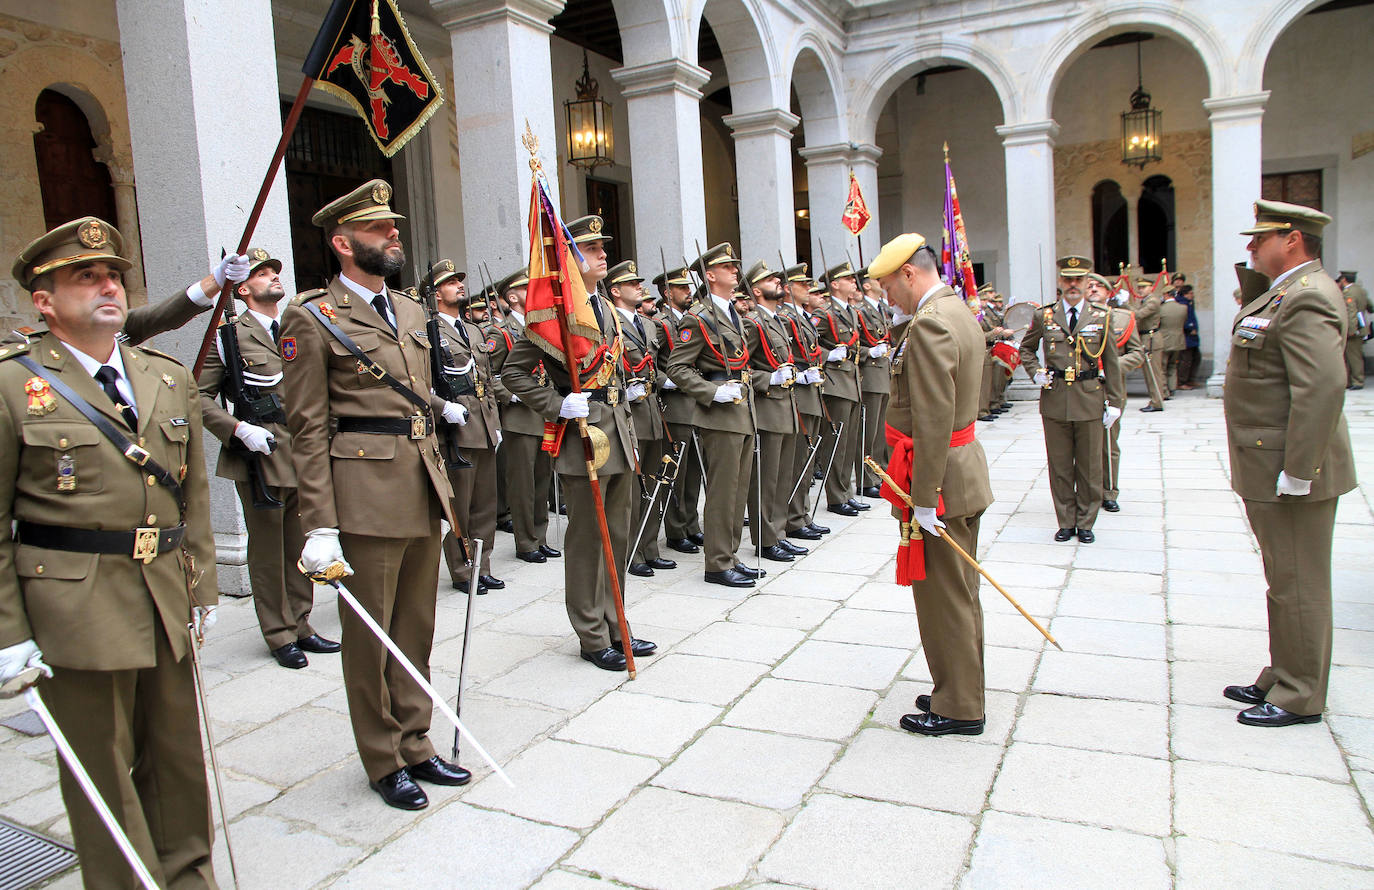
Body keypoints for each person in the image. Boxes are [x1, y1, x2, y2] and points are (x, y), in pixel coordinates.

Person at [0, 217, 220, 885]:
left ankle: (188, 874)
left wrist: (204, 587)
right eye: (85, 276)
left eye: (114, 276)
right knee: (102, 767)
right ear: (44, 300)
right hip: (76, 604)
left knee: (177, 755)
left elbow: (194, 496)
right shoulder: (14, 386)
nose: (107, 286)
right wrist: (8, 632)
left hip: (162, 590)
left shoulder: (163, 374)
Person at [280, 180, 470, 809]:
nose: (395, 235)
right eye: (379, 229)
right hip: (361, 489)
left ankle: (416, 739)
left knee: (416, 626)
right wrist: (319, 523)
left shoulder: (411, 310)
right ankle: (382, 757)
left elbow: (416, 393)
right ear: (342, 243)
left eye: (394, 225)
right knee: (371, 635)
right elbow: (306, 426)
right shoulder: (311, 317)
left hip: (420, 480)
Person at [1223, 199, 1356, 727]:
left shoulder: (1309, 297)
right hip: (1270, 463)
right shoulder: (1283, 292)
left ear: (1293, 239)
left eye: (1261, 239)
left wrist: (1301, 469)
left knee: (1299, 579)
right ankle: (1284, 671)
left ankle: (1301, 693)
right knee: (1283, 576)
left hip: (1292, 467)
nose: (1251, 247)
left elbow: (1321, 387)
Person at [501, 215, 655, 670]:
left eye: (602, 247)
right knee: (589, 540)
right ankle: (591, 634)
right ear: (569, 260)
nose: (603, 253)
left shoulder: (604, 306)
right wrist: (556, 404)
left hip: (619, 434)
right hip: (584, 438)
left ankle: (616, 623)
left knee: (620, 535)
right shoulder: (557, 312)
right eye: (591, 249)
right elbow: (511, 371)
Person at [869, 233, 993, 736]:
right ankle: (959, 685)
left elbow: (934, 417)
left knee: (944, 596)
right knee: (960, 592)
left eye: (887, 286)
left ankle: (960, 705)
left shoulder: (929, 325)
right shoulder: (957, 310)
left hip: (941, 481)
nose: (885, 297)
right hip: (961, 471)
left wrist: (924, 500)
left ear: (909, 274)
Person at [198, 247, 339, 668]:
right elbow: (198, 397)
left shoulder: (300, 326)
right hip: (262, 455)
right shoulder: (228, 337)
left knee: (301, 541)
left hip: (306, 452)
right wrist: (238, 429)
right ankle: (278, 634)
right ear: (242, 289)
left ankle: (301, 623)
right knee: (268, 551)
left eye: (275, 270)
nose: (273, 277)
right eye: (262, 273)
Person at [666, 243, 761, 588]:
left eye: (735, 266)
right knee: (722, 492)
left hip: (741, 409)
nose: (735, 271)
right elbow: (677, 366)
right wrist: (711, 391)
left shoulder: (732, 312)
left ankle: (730, 554)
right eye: (727, 267)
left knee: (737, 491)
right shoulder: (699, 316)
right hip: (719, 413)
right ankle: (717, 563)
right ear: (710, 275)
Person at [1018, 256, 1124, 543]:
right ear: (1061, 283)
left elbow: (1112, 363)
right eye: (1068, 280)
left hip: (1090, 398)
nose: (1073, 285)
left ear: (1087, 282)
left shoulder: (1102, 316)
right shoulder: (1046, 316)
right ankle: (1066, 520)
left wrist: (1115, 402)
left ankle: (1087, 521)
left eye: (1079, 280)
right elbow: (1026, 349)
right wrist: (1035, 372)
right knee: (1060, 465)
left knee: (1090, 466)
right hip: (1055, 399)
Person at [428, 260, 504, 594]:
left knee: (485, 504)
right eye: (449, 282)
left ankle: (481, 565)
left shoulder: (472, 330)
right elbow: (422, 383)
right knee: (461, 504)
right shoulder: (429, 331)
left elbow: (486, 380)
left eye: (460, 280)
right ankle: (461, 569)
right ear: (435, 293)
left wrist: (496, 424)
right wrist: (442, 409)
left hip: (483, 424)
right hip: (456, 430)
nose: (459, 285)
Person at [487, 269, 562, 563]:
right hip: (520, 417)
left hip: (543, 414)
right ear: (513, 297)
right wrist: (513, 393)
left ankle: (540, 537)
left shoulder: (542, 327)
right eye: (527, 288)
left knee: (542, 479)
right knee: (522, 484)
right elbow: (491, 375)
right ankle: (526, 542)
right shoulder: (501, 331)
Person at [608, 259, 675, 577]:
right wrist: (624, 392)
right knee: (633, 490)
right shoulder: (610, 324)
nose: (641, 287)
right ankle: (632, 552)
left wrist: (664, 381)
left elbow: (656, 366)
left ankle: (650, 547)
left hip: (651, 413)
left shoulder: (649, 325)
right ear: (615, 290)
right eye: (633, 283)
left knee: (655, 483)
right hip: (627, 415)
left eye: (640, 282)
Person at [740, 261, 804, 563]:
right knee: (765, 480)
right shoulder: (752, 323)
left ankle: (778, 533)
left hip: (786, 406)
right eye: (769, 279)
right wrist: (768, 379)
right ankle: (765, 539)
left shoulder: (776, 320)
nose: (777, 281)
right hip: (767, 407)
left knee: (781, 477)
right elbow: (741, 369)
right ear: (756, 290)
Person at [650, 267, 706, 554]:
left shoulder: (691, 320)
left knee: (694, 470)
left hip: (695, 402)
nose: (689, 292)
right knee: (677, 471)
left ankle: (691, 524)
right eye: (682, 288)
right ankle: (675, 529)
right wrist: (666, 381)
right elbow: (650, 363)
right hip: (674, 405)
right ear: (667, 292)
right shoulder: (660, 323)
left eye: (689, 287)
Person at [777, 263, 831, 542]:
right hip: (797, 393)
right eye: (803, 285)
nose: (809, 289)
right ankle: (793, 517)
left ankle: (802, 514)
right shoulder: (784, 317)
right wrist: (800, 374)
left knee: (805, 461)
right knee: (796, 461)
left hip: (810, 393)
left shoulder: (801, 316)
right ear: (787, 289)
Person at [1085, 272, 1144, 512]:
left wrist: (1112, 366)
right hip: (1080, 388)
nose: (1093, 290)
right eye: (1089, 286)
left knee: (1108, 442)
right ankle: (1086, 489)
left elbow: (1137, 353)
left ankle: (1109, 491)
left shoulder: (1122, 318)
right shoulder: (1071, 319)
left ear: (1109, 293)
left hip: (1109, 387)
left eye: (1099, 286)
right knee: (1082, 443)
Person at [816, 262, 867, 516]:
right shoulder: (825, 313)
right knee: (835, 442)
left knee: (848, 442)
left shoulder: (851, 312)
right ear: (835, 284)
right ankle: (836, 497)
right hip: (836, 383)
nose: (854, 282)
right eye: (848, 279)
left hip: (852, 381)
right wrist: (828, 355)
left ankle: (845, 491)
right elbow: (806, 342)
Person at [854, 268, 892, 495]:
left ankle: (880, 474)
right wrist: (871, 352)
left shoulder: (882, 309)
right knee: (868, 432)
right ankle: (866, 479)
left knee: (881, 432)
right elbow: (853, 343)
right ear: (867, 285)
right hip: (869, 375)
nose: (881, 282)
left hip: (884, 374)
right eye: (876, 279)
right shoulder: (860, 311)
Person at [1134, 277, 1167, 412]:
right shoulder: (1146, 300)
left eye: (1143, 287)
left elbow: (1139, 315)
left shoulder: (1153, 301)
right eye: (1139, 287)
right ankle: (1155, 399)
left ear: (1151, 288)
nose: (1140, 290)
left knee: (1153, 373)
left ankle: (1157, 401)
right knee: (1149, 372)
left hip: (1151, 338)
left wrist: (1124, 305)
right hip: (1146, 337)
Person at [1336, 271, 1370, 389]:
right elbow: (1370, 307)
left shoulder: (1348, 292)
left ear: (1344, 279)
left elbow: (1351, 312)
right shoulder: (1361, 291)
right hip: (1361, 327)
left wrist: (1351, 330)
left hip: (1354, 329)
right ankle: (1352, 381)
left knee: (1352, 357)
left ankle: (1357, 381)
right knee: (1355, 356)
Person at [1159, 286, 1188, 394]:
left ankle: (1164, 390)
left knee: (1162, 367)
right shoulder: (1183, 308)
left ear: (1166, 294)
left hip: (1164, 340)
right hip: (1178, 340)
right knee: (1173, 365)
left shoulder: (1161, 309)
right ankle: (1172, 388)